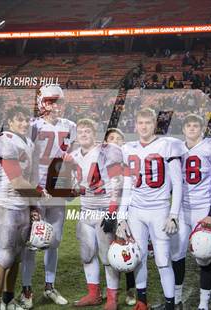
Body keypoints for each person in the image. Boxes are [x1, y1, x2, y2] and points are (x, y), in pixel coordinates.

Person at [117, 108, 185, 310]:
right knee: (139, 258)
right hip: (136, 210)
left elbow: (178, 183)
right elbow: (127, 185)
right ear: (135, 125)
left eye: (148, 123)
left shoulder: (168, 145)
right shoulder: (128, 148)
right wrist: (122, 217)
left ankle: (170, 305)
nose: (144, 126)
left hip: (159, 209)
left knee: (163, 260)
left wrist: (173, 214)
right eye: (140, 123)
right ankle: (142, 301)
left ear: (154, 124)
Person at [0, 105, 50, 310]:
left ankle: (8, 298)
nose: (24, 123)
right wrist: (40, 195)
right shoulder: (4, 140)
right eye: (19, 120)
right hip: (5, 204)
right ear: (10, 121)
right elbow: (16, 180)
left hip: (22, 205)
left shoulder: (29, 143)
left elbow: (31, 179)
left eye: (26, 120)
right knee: (4, 254)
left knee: (17, 255)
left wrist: (34, 206)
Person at [20, 85, 76, 308]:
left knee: (54, 241)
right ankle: (26, 290)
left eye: (59, 101)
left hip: (58, 190)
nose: (56, 106)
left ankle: (49, 286)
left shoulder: (70, 126)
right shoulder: (32, 126)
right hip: (37, 189)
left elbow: (72, 160)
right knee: (32, 242)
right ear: (42, 102)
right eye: (51, 101)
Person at [171, 114, 211, 310]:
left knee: (204, 256)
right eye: (189, 125)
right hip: (181, 208)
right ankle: (176, 299)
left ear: (202, 129)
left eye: (196, 125)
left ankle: (203, 304)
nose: (192, 128)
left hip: (203, 208)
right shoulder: (176, 149)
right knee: (176, 255)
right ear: (184, 129)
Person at [71, 119, 123, 310]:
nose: (84, 135)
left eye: (88, 131)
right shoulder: (74, 155)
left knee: (108, 258)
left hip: (103, 211)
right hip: (85, 211)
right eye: (81, 132)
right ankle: (94, 294)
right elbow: (76, 187)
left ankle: (112, 298)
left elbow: (117, 183)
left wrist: (111, 213)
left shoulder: (106, 151)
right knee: (87, 255)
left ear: (95, 134)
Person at [104, 128, 137, 306]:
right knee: (108, 250)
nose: (115, 141)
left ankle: (131, 289)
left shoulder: (128, 160)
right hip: (105, 209)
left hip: (125, 209)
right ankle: (111, 289)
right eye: (111, 138)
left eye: (119, 138)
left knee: (126, 247)